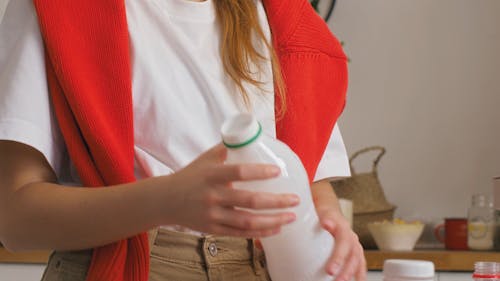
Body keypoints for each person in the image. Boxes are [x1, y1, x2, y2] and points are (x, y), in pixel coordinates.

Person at [0, 0, 366, 280]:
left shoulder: (284, 22)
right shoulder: (59, 10)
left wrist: (328, 222)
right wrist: (168, 200)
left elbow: (310, 181)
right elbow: (13, 220)